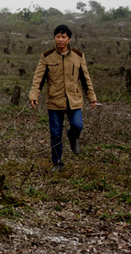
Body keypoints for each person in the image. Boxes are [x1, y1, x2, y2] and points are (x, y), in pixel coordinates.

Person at [29, 24, 97, 172]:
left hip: (74, 99)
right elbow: (38, 78)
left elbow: (85, 78)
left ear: (69, 39)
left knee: (77, 125)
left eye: (63, 37)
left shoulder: (78, 56)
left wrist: (91, 96)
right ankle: (57, 162)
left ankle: (73, 138)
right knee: (55, 133)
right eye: (58, 36)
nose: (60, 40)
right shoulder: (46, 56)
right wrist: (34, 95)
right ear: (54, 38)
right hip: (55, 100)